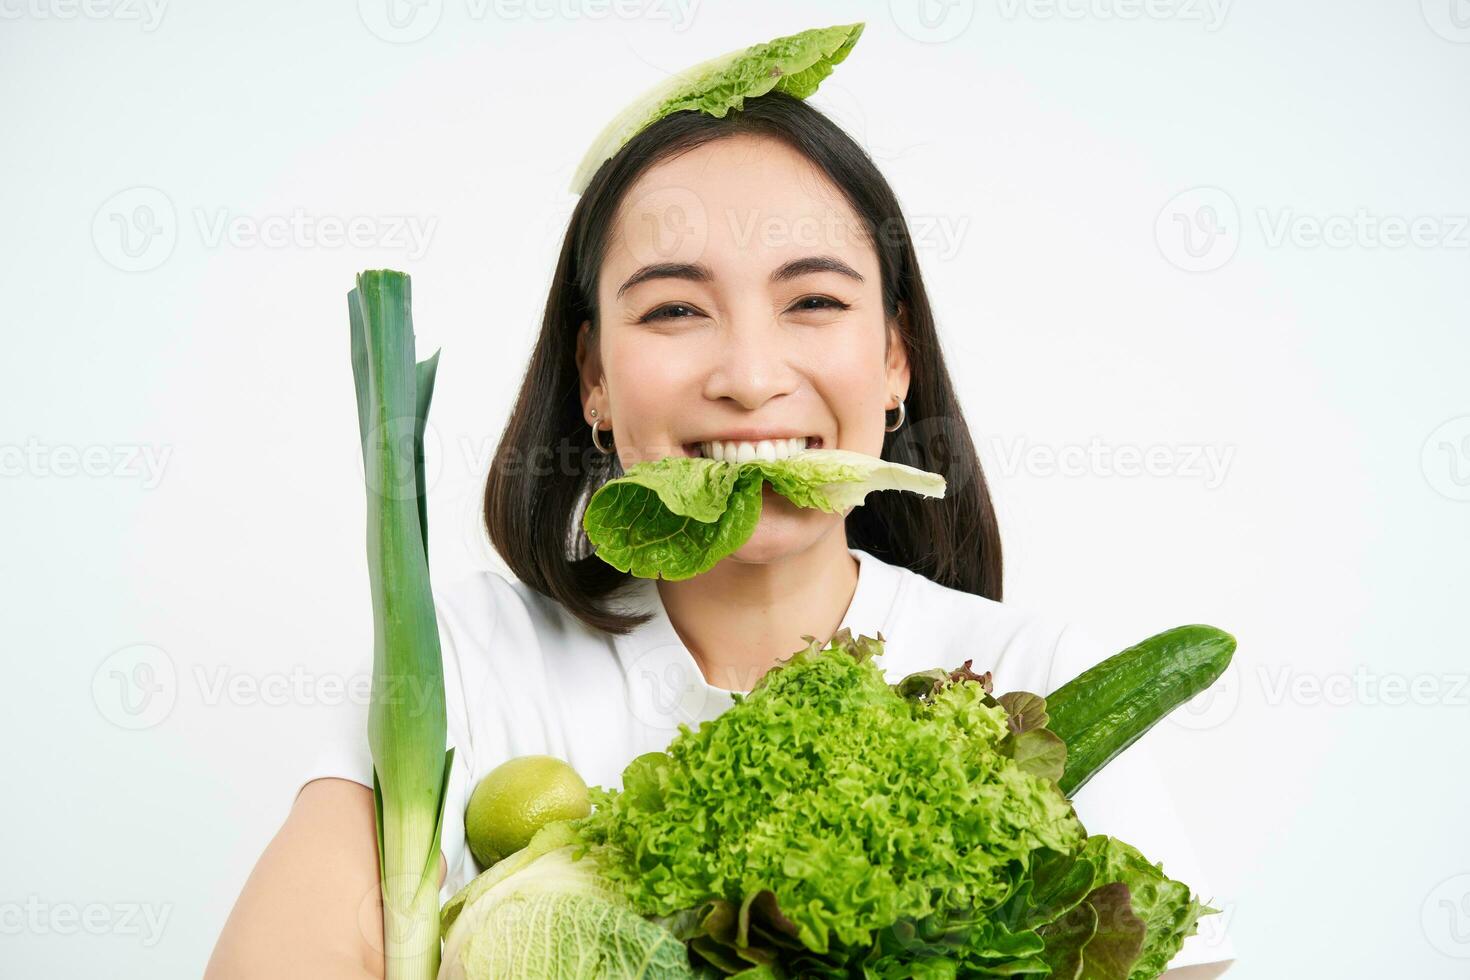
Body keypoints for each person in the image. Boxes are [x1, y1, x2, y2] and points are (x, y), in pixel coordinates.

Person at [205, 91, 1233, 978]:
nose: (748, 375)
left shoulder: (1029, 672)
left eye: (814, 300)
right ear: (595, 379)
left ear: (894, 360)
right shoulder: (465, 659)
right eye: (673, 311)